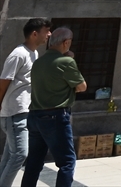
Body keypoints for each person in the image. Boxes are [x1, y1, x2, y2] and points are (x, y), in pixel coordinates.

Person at [20, 27, 85, 187]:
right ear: (66, 42)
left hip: (35, 116)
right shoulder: (66, 62)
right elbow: (82, 86)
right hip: (55, 117)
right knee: (67, 162)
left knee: (34, 162)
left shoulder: (38, 62)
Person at [0, 18, 51, 187]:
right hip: (14, 112)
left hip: (23, 111)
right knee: (19, 155)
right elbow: (4, 82)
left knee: (9, 156)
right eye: (46, 31)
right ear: (34, 33)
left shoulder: (33, 53)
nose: (49, 35)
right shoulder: (18, 54)